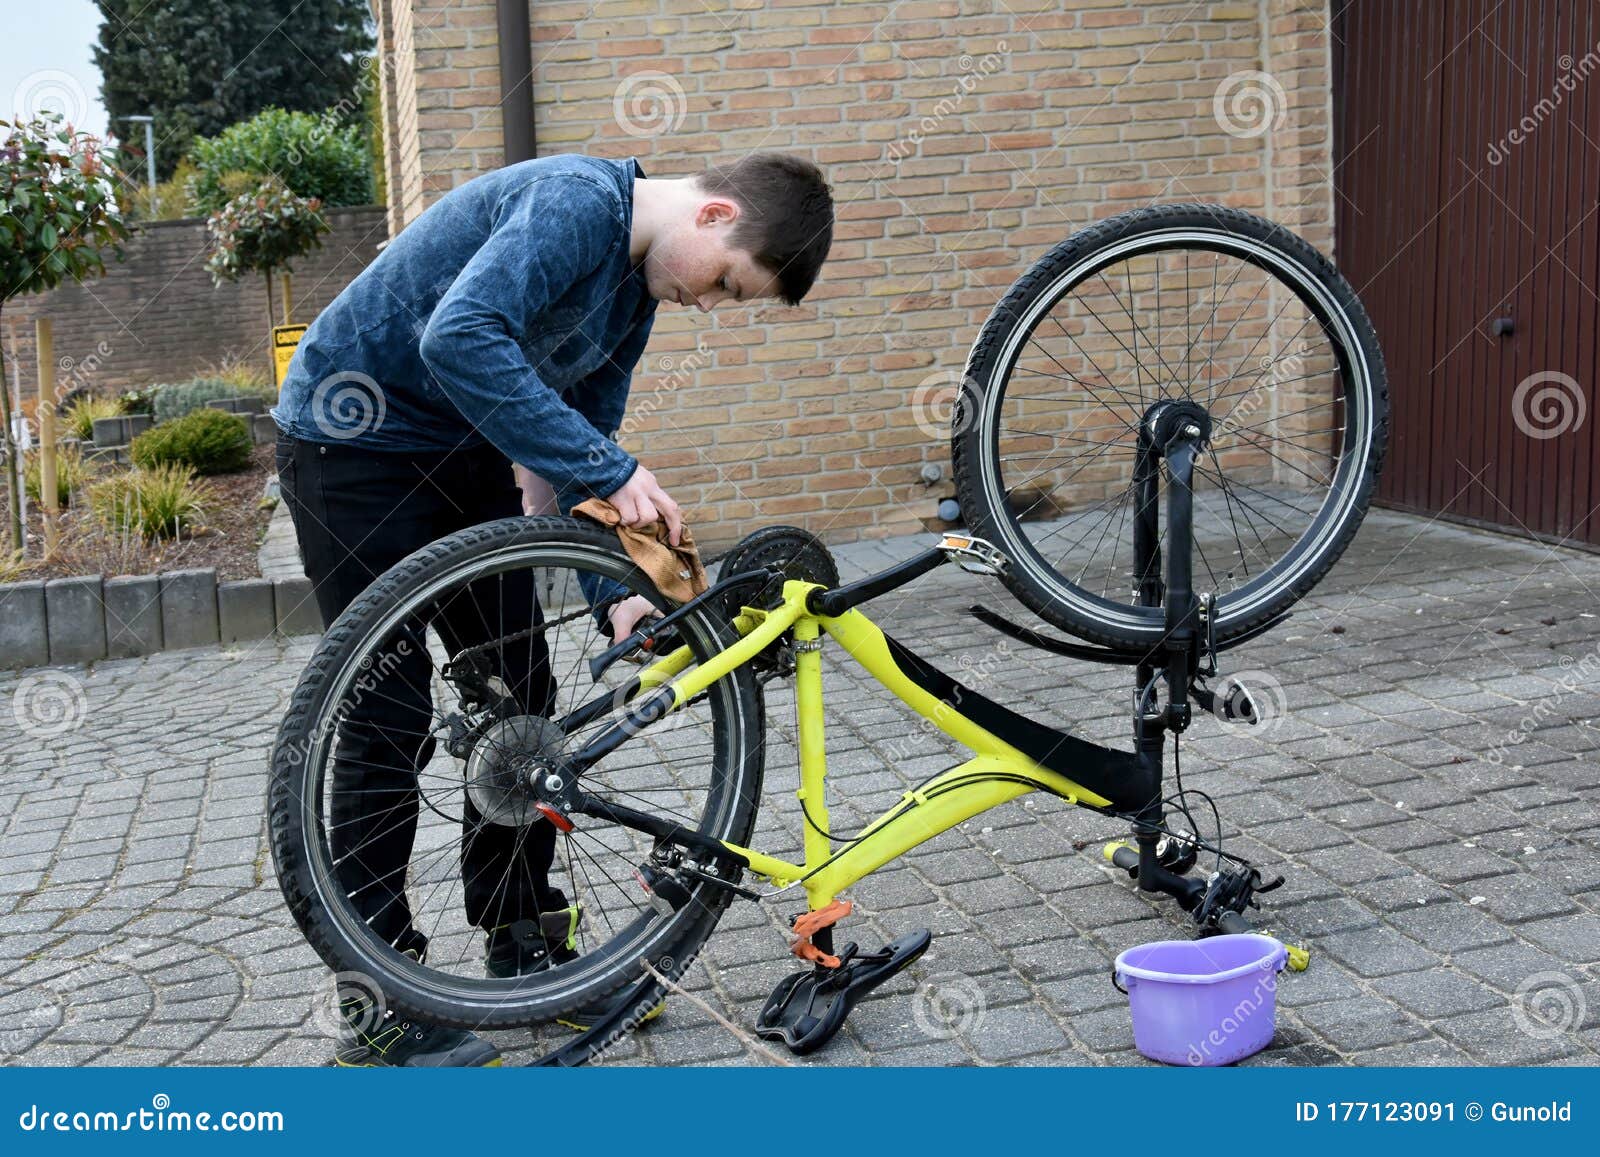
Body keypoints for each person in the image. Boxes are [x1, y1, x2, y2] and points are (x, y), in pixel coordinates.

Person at [270, 151, 834, 1066]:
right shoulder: (576, 205)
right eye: (727, 282)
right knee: (388, 710)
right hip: (352, 447)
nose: (711, 305)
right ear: (715, 213)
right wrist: (619, 474)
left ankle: (522, 934)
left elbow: (577, 454)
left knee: (519, 695)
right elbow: (459, 338)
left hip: (459, 453)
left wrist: (619, 596)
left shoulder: (635, 298)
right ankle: (376, 1000)